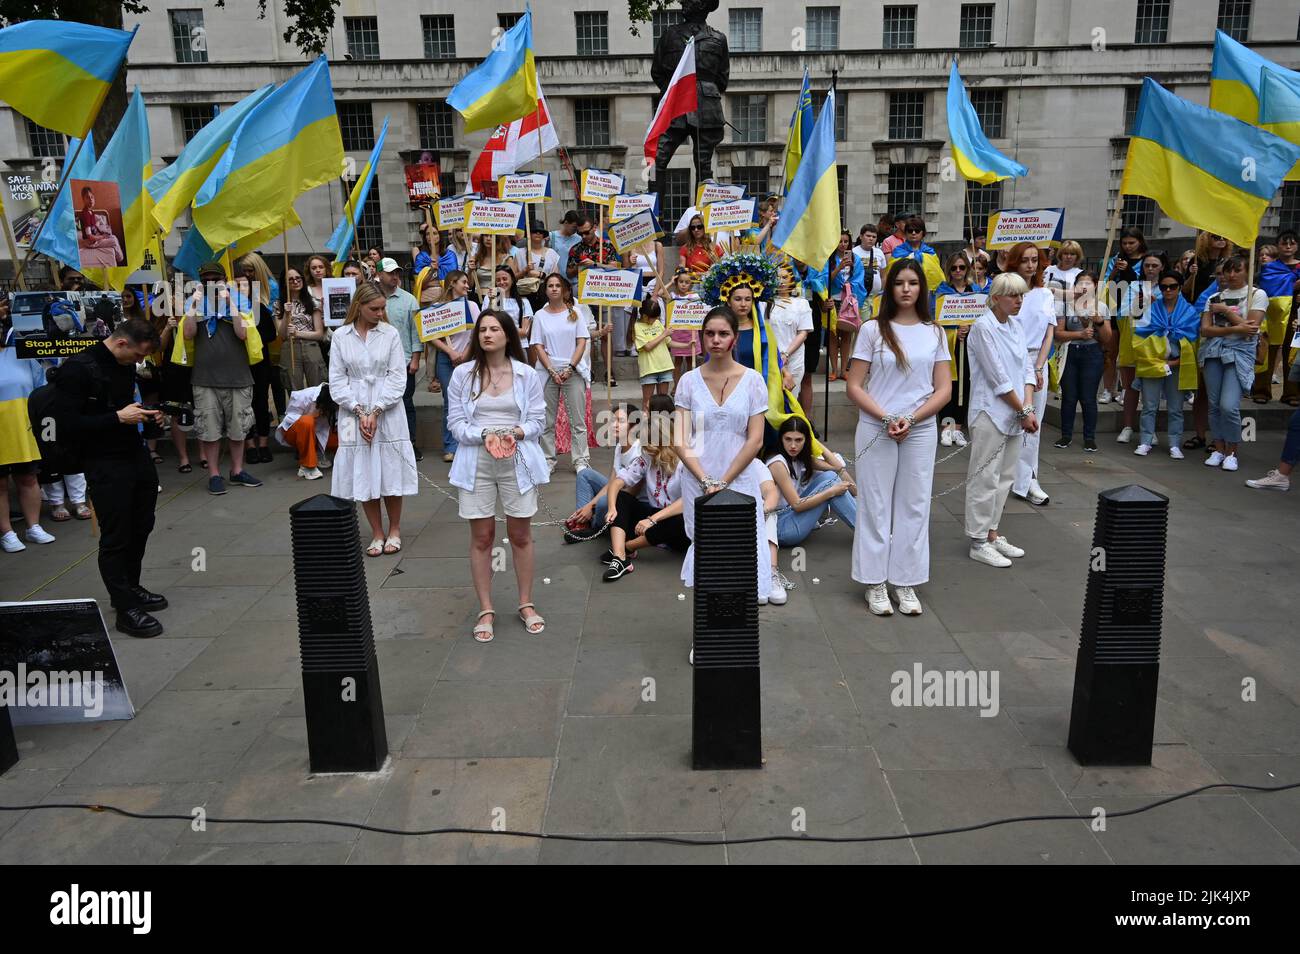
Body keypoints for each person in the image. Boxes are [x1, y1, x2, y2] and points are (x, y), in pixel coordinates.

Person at [843, 258, 951, 616]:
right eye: (900, 283)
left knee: (915, 505)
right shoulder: (873, 330)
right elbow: (855, 385)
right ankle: (874, 581)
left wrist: (911, 417)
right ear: (889, 288)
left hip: (919, 429)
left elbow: (944, 389)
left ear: (922, 288)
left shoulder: (934, 331)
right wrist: (887, 416)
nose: (907, 289)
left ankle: (905, 581)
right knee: (875, 503)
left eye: (913, 283)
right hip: (878, 427)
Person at [52, 319, 167, 636]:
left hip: (134, 452)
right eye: (137, 356)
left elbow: (124, 405)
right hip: (103, 461)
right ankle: (124, 606)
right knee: (116, 534)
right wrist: (118, 417)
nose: (139, 363)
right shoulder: (78, 369)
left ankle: (132, 587)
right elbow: (67, 424)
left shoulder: (124, 363)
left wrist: (146, 413)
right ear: (121, 344)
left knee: (142, 524)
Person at [446, 310, 548, 641]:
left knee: (520, 533)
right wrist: (484, 435)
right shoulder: (462, 374)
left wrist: (515, 433)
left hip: (516, 458)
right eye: (482, 329)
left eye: (495, 329)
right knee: (482, 536)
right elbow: (456, 423)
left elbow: (537, 420)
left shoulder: (526, 374)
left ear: (508, 335)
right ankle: (486, 608)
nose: (487, 334)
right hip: (476, 459)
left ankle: (526, 602)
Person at [673, 307, 773, 607]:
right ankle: (708, 628)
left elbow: (755, 439)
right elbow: (679, 438)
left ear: (734, 338)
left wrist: (724, 481)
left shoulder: (753, 380)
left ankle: (738, 627)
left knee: (741, 546)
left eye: (723, 334)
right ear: (702, 337)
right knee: (706, 548)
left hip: (740, 476)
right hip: (697, 477)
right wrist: (706, 480)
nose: (716, 340)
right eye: (710, 333)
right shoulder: (688, 381)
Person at [329, 282, 418, 555]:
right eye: (375, 308)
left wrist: (376, 410)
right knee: (361, 470)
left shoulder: (390, 333)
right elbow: (336, 379)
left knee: (390, 468)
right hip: (350, 411)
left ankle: (394, 528)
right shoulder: (341, 336)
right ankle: (377, 532)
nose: (381, 313)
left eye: (383, 308)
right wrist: (358, 410)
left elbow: (397, 377)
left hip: (388, 410)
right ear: (359, 306)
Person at [964, 272, 1039, 569]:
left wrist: (1028, 407)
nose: (1019, 301)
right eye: (1012, 295)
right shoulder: (983, 327)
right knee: (984, 476)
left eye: (1021, 295)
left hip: (1016, 413)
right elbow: (998, 377)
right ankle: (978, 540)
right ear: (995, 298)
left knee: (1005, 476)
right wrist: (1024, 411)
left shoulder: (1016, 326)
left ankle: (992, 533)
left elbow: (1027, 370)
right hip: (990, 413)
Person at [183, 261, 262, 495]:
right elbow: (188, 333)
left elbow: (242, 333)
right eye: (206, 279)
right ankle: (214, 474)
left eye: (214, 279)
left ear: (223, 279)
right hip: (205, 378)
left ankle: (237, 471)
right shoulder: (194, 301)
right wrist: (195, 302)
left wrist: (229, 302)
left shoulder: (239, 299)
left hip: (238, 377)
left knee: (239, 428)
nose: (210, 283)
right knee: (209, 430)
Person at [764, 416, 856, 599]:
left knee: (830, 477)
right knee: (830, 482)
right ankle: (870, 530)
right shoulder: (777, 463)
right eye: (788, 439)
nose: (793, 445)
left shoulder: (801, 458)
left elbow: (852, 487)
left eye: (799, 440)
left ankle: (869, 528)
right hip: (781, 527)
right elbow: (797, 506)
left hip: (792, 518)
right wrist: (831, 492)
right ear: (780, 439)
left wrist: (818, 445)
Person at [601, 394, 689, 581]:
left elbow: (688, 501)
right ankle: (620, 557)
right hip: (651, 519)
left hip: (673, 523)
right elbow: (618, 482)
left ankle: (628, 547)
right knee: (622, 498)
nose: (646, 450)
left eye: (650, 446)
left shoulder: (684, 462)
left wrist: (653, 519)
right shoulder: (647, 457)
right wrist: (611, 508)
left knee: (680, 520)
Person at [1198, 255, 1266, 473]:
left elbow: (1252, 329)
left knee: (1229, 405)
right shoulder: (1214, 297)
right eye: (1228, 270)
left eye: (1237, 270)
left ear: (1248, 271)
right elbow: (1206, 330)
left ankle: (1232, 451)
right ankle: (1218, 448)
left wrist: (1227, 312)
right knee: (1215, 404)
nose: (1232, 275)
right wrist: (1236, 328)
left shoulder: (1257, 294)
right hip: (1213, 353)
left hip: (1240, 354)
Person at [1000, 243, 1054, 506]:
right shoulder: (1006, 293)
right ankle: (1009, 476)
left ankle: (1029, 480)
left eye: (1035, 260)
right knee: (1011, 420)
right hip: (1012, 360)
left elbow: (1049, 333)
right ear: (1015, 263)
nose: (1031, 265)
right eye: (1025, 260)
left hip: (1036, 361)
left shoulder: (1045, 294)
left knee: (1034, 424)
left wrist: (1040, 366)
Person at [530, 273, 592, 475]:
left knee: (577, 419)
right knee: (547, 420)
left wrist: (570, 368)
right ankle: (548, 459)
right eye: (550, 285)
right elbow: (538, 345)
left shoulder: (575, 312)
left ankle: (580, 459)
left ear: (564, 289)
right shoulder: (540, 315)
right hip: (548, 372)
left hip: (571, 370)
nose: (554, 288)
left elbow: (581, 341)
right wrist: (550, 370)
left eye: (558, 285)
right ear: (545, 290)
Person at [1133, 269, 1197, 459]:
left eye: (1173, 286)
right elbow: (1139, 338)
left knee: (1176, 408)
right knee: (1149, 406)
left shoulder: (1190, 311)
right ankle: (1145, 441)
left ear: (1180, 288)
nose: (1168, 290)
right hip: (1153, 364)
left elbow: (1194, 341)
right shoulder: (1150, 310)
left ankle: (1174, 444)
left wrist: (1178, 361)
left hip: (1178, 364)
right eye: (1164, 287)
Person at [1, 320, 50, 553]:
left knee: (29, 478)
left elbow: (40, 385)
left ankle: (34, 526)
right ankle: (6, 532)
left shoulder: (21, 352)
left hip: (23, 425)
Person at [426, 270, 481, 463]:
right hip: (445, 359)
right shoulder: (437, 307)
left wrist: (465, 354)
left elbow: (477, 333)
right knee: (451, 402)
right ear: (452, 283)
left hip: (469, 358)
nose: (468, 286)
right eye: (464, 282)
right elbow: (431, 335)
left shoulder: (473, 306)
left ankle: (470, 442)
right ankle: (451, 446)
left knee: (470, 401)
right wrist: (450, 352)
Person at [1053, 270, 1111, 451]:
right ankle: (1066, 435)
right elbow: (1059, 333)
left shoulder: (1100, 307)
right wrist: (1079, 333)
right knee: (1069, 397)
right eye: (1080, 283)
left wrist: (1099, 322)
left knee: (1088, 398)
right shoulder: (1066, 306)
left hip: (1092, 353)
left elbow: (1108, 338)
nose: (1084, 286)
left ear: (1095, 286)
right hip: (1070, 352)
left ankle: (1089, 437)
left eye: (1088, 283)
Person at [1116, 250, 1169, 444]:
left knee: (1151, 391)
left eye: (1155, 265)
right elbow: (1122, 313)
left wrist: (1156, 304)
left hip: (1155, 346)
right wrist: (1138, 304)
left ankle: (1149, 430)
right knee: (1130, 387)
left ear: (1162, 266)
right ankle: (1127, 426)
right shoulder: (1134, 286)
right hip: (1132, 342)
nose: (1150, 269)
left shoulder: (1167, 287)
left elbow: (1171, 313)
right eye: (1147, 265)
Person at [374, 257, 424, 463]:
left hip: (402, 362)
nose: (395, 276)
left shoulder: (409, 299)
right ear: (379, 275)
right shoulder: (370, 299)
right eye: (390, 273)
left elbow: (416, 332)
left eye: (397, 273)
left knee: (406, 403)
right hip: (377, 363)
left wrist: (415, 359)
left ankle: (410, 443)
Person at [567, 401, 640, 538]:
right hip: (617, 491)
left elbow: (631, 492)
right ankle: (582, 521)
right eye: (613, 420)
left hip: (630, 500)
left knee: (603, 502)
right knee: (584, 474)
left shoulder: (638, 451)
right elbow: (611, 482)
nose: (615, 425)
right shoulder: (620, 446)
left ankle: (595, 527)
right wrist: (589, 505)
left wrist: (594, 505)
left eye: (621, 421)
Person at [935, 251, 976, 448]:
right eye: (954, 268)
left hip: (970, 346)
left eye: (961, 267)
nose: (958, 271)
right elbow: (936, 321)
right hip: (949, 346)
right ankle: (946, 426)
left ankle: (958, 428)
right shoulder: (942, 292)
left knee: (965, 386)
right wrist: (954, 331)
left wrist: (970, 328)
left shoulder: (975, 291)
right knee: (947, 385)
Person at [1101, 227, 1146, 406]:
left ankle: (1127, 390)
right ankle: (1107, 389)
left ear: (1140, 242)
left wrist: (1129, 271)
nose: (1128, 247)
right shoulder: (1115, 259)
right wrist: (1115, 271)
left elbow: (1146, 283)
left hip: (1135, 308)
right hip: (1115, 305)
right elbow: (1106, 283)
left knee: (1130, 354)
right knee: (1111, 351)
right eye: (1124, 243)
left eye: (1131, 243)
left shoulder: (1146, 261)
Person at [824, 230, 868, 381]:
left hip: (848, 301)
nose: (843, 245)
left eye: (846, 242)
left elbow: (859, 281)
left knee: (847, 335)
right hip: (834, 300)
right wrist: (839, 267)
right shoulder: (829, 259)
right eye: (840, 241)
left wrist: (849, 286)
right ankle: (834, 370)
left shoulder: (856, 260)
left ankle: (844, 370)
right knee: (833, 335)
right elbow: (825, 280)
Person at [769, 265, 814, 402]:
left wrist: (786, 354)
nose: (781, 281)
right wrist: (776, 355)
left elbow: (803, 333)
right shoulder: (766, 303)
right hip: (771, 357)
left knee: (790, 399)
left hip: (793, 358)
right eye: (778, 277)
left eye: (784, 277)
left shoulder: (801, 303)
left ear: (791, 280)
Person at [276, 382, 337, 480]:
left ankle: (339, 458)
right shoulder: (304, 395)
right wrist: (311, 416)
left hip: (318, 434)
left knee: (345, 424)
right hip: (293, 433)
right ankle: (307, 466)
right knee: (306, 421)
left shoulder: (335, 396)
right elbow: (289, 420)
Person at [659, 267, 701, 387]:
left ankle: (689, 387)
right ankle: (676, 387)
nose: (683, 285)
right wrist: (671, 282)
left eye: (687, 282)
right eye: (681, 282)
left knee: (690, 361)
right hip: (677, 334)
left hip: (691, 333)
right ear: (677, 282)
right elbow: (660, 293)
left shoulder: (694, 297)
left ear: (691, 284)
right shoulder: (672, 296)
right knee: (677, 362)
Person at [633, 296, 673, 417]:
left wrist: (687, 345)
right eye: (654, 317)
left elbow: (668, 342)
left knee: (663, 403)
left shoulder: (657, 323)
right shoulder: (637, 326)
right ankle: (646, 430)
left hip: (664, 366)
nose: (656, 319)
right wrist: (664, 334)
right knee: (647, 403)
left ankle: (662, 429)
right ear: (645, 316)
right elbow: (648, 347)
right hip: (649, 369)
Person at [76, 185, 125, 266]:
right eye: (87, 197)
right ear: (83, 199)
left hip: (94, 239)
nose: (91, 200)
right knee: (114, 241)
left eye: (92, 197)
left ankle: (120, 259)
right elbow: (90, 237)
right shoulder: (85, 214)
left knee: (112, 236)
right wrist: (102, 237)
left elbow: (94, 227)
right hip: (90, 242)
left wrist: (102, 233)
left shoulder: (90, 212)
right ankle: (121, 261)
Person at [486, 265, 534, 341]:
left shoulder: (523, 301)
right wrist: (495, 300)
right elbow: (488, 324)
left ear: (512, 280)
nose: (501, 282)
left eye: (505, 279)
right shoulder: (490, 298)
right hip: (497, 345)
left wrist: (500, 328)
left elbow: (525, 332)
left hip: (518, 346)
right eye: (498, 280)